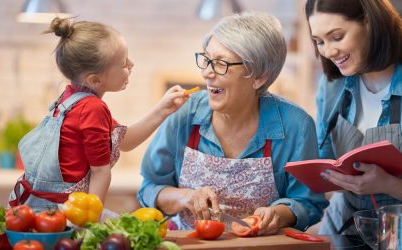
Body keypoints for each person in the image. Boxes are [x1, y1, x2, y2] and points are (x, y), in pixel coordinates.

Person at [137, 12, 328, 235]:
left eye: (220, 64)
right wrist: (185, 197)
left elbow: (309, 203)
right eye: (207, 60)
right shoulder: (184, 115)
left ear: (259, 77)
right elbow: (148, 189)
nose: (207, 73)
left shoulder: (296, 125)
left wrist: (278, 214)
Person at [8, 17, 189, 212]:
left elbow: (124, 141)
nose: (132, 64)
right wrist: (90, 222)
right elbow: (100, 172)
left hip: (39, 205)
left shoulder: (70, 99)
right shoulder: (93, 108)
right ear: (95, 80)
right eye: (123, 63)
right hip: (63, 211)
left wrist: (163, 109)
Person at [305, 0, 402, 236]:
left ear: (369, 23)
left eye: (336, 37)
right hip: (344, 224)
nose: (328, 51)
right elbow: (323, 157)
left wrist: (387, 184)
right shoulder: (331, 85)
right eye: (319, 42)